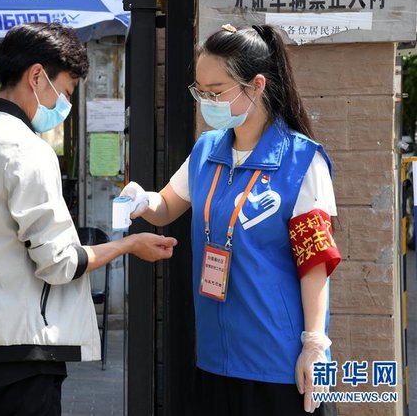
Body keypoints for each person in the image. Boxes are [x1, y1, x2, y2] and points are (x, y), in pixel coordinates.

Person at [0, 22, 177, 416]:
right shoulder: (26, 150)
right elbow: (60, 263)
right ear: (37, 76)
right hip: (20, 354)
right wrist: (129, 245)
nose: (63, 106)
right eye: (65, 91)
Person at [121, 24, 341, 415]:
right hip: (215, 355)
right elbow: (168, 206)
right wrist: (143, 200)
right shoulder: (207, 149)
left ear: (256, 85)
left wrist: (315, 343)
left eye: (217, 91)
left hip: (276, 361)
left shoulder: (301, 160)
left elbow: (315, 263)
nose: (207, 101)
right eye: (200, 91)